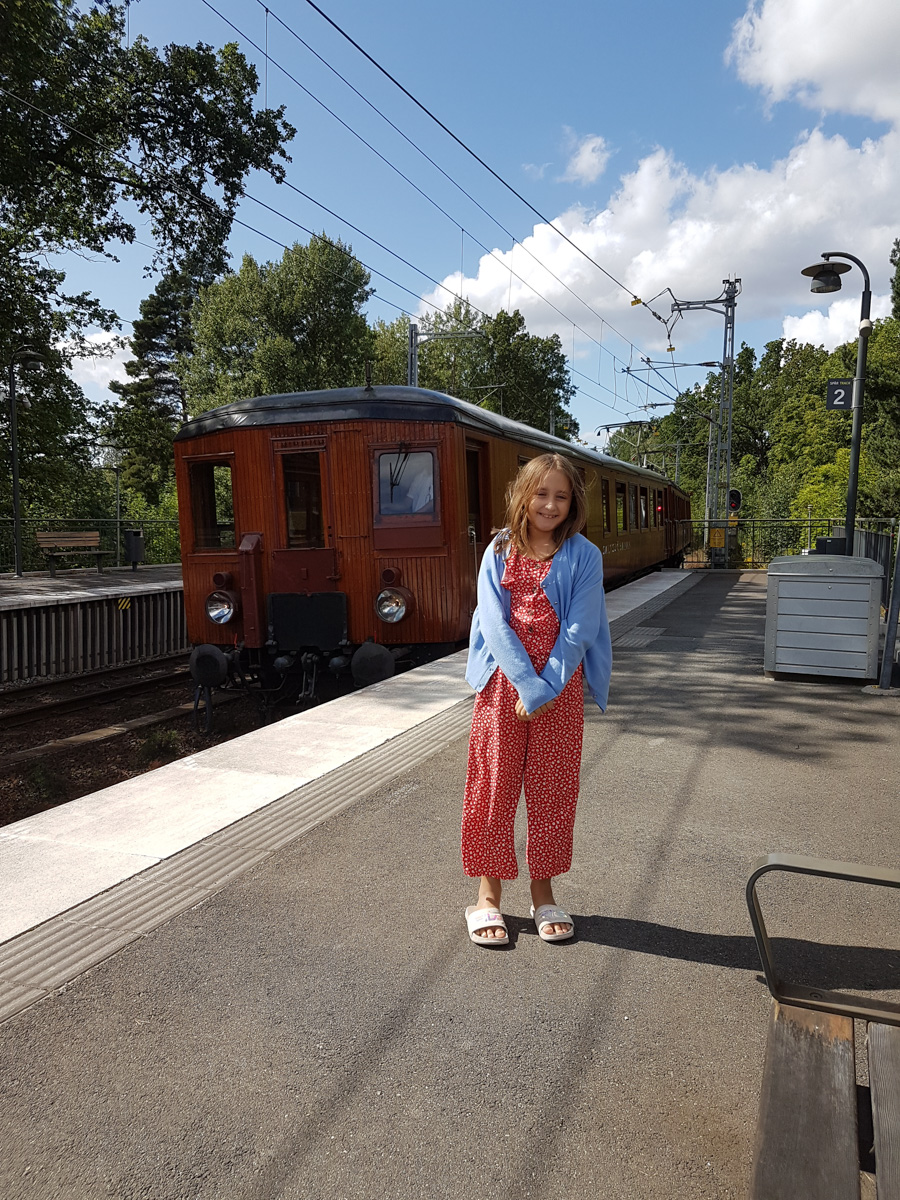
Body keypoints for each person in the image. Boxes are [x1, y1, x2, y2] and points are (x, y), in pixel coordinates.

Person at [462, 452, 612, 947]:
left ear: (574, 503)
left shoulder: (585, 555)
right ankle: (487, 896)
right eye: (540, 494)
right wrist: (527, 685)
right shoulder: (499, 549)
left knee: (553, 792)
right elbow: (492, 621)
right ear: (522, 496)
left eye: (561, 496)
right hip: (502, 686)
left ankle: (543, 892)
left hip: (559, 689)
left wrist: (544, 688)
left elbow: (580, 629)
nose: (550, 505)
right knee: (494, 787)